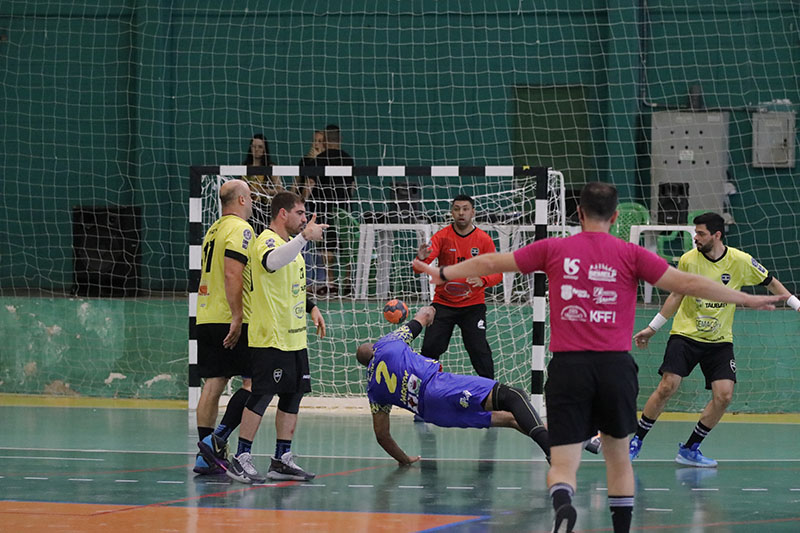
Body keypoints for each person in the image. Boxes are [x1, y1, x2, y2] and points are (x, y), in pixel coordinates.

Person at [412, 182, 783, 533]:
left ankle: (563, 504)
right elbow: (688, 283)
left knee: (563, 462)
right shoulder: (631, 254)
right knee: (618, 459)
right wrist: (748, 299)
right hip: (614, 367)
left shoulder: (554, 249)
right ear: (616, 216)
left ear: (579, 213)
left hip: (568, 367)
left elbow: (491, 263)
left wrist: (441, 272)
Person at [629, 212, 798, 467]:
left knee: (724, 396)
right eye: (695, 233)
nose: (695, 238)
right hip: (685, 334)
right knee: (668, 385)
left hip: (719, 340)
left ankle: (690, 449)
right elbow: (676, 296)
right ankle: (636, 440)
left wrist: (796, 305)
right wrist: (653, 328)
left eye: (701, 233)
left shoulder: (740, 261)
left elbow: (771, 283)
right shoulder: (688, 259)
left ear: (717, 235)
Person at [356, 305, 602, 465]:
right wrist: (429, 309)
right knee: (514, 396)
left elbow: (382, 436)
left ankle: (570, 439)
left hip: (435, 415)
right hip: (440, 388)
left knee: (511, 418)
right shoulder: (389, 343)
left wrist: (404, 459)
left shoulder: (373, 390)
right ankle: (552, 450)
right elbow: (425, 316)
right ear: (375, 348)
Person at [199, 191, 328, 484]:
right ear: (282, 213)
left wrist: (312, 307)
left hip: (294, 337)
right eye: (299, 213)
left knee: (293, 396)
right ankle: (241, 456)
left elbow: (291, 284)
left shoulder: (291, 246)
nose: (304, 219)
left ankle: (282, 459)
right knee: (260, 394)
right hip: (270, 336)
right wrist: (304, 237)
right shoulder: (266, 241)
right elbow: (272, 262)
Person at [193, 179, 255, 475]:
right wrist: (237, 316)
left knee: (213, 383)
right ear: (241, 200)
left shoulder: (213, 230)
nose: (252, 202)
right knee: (253, 384)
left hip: (206, 314)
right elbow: (233, 274)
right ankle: (216, 442)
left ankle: (204, 454)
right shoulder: (240, 229)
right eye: (250, 197)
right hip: (228, 316)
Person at [412, 194, 502, 379]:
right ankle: (425, 386)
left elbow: (498, 273)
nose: (461, 213)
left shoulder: (483, 239)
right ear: (452, 212)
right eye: (457, 209)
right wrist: (420, 258)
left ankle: (491, 390)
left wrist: (483, 280)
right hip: (443, 303)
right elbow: (418, 269)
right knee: (430, 347)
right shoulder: (442, 236)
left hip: (473, 305)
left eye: (465, 209)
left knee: (478, 349)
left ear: (473, 212)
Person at [300, 124, 355, 296]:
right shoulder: (348, 159)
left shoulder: (319, 160)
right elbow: (353, 186)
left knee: (326, 247)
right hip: (343, 209)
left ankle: (330, 283)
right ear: (340, 139)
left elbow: (310, 184)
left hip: (323, 208)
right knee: (347, 246)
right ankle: (348, 283)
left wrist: (302, 201)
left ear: (324, 140)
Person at [243, 133, 282, 233]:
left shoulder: (270, 167)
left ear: (265, 149)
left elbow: (279, 190)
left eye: (260, 147)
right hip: (248, 209)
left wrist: (260, 190)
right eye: (254, 146)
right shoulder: (244, 168)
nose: (256, 149)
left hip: (265, 210)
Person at [293, 129, 325, 202]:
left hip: (320, 199)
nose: (316, 144)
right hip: (303, 199)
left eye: (320, 141)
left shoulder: (327, 161)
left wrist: (317, 159)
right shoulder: (304, 160)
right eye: (314, 140)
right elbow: (296, 183)